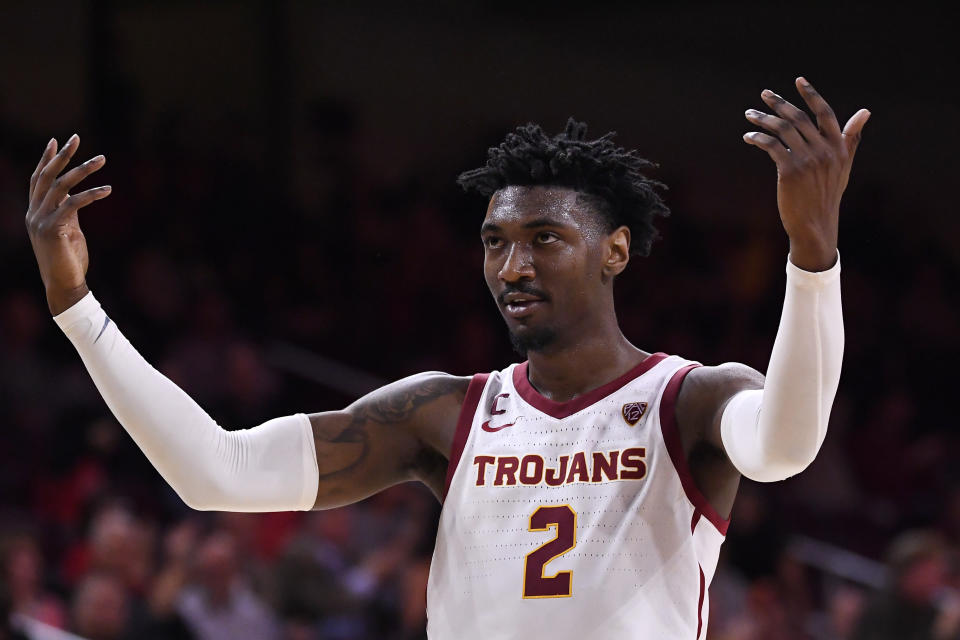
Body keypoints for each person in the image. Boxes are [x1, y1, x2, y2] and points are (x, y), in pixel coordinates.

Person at [24, 77, 868, 638]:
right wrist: (77, 308)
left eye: (545, 239)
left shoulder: (691, 400)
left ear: (615, 250)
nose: (514, 266)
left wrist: (811, 257)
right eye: (495, 241)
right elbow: (218, 472)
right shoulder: (442, 413)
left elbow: (789, 446)